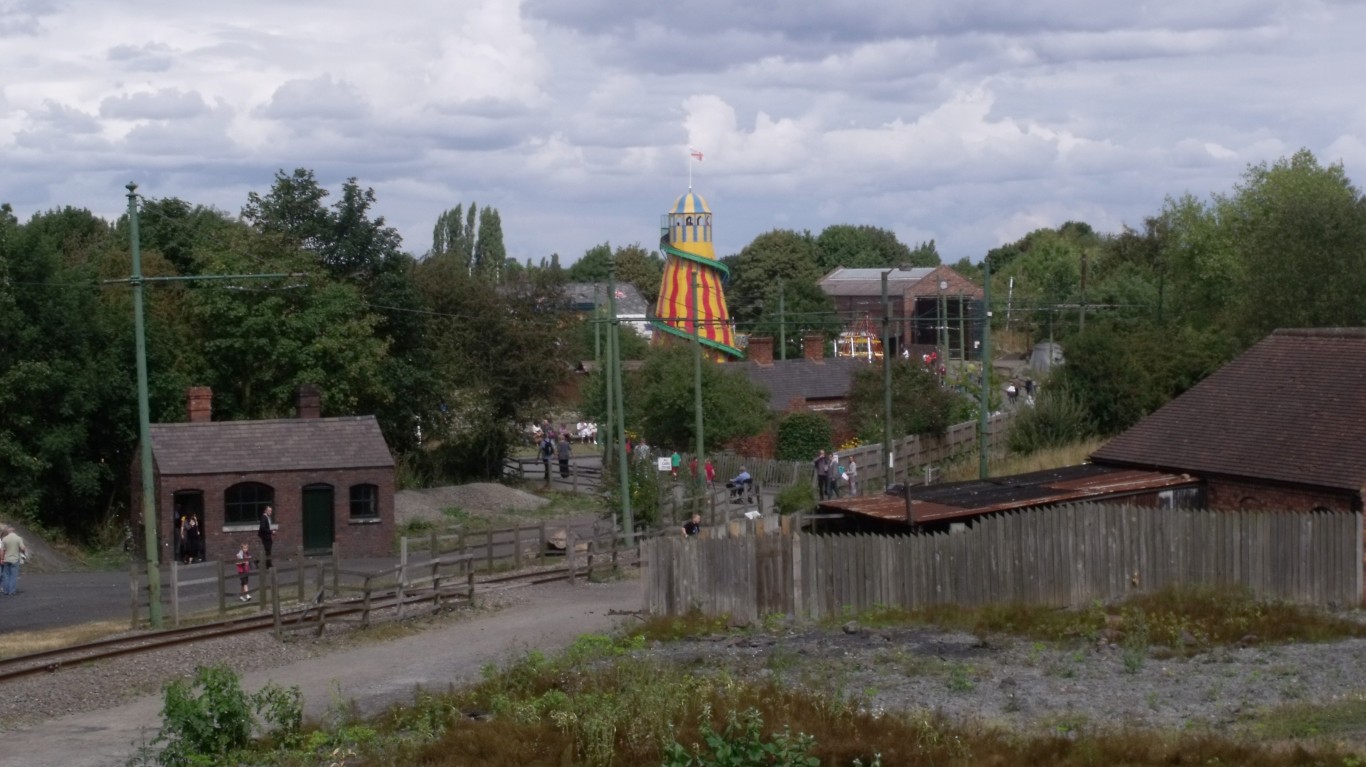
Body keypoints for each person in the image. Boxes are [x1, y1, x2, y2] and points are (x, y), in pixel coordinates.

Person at [0, 525, 27, 595]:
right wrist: (24, 553)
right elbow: (23, 548)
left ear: (8, 532)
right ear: (14, 531)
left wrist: (2, 559)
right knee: (13, 576)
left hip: (6, 559)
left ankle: (6, 591)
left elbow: (2, 550)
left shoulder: (4, 539)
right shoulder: (18, 538)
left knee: (6, 575)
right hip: (15, 559)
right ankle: (11, 591)